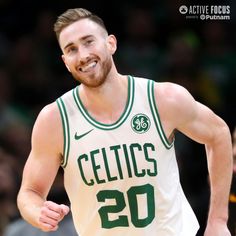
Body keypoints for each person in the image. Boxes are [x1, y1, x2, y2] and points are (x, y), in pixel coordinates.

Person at [17, 8, 233, 236]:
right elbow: (29, 192)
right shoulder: (55, 120)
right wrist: (38, 211)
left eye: (89, 42)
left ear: (111, 44)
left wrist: (218, 220)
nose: (82, 55)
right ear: (65, 61)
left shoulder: (162, 99)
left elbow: (218, 133)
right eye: (71, 49)